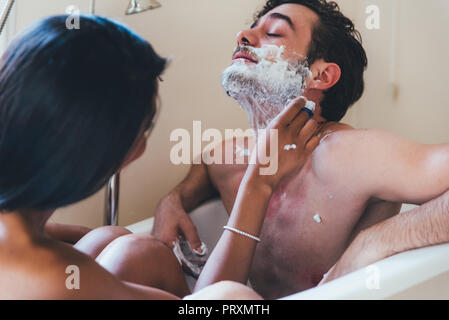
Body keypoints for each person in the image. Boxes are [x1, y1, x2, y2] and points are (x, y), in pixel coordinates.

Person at [153, 0, 449, 299]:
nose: (243, 35)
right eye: (252, 28)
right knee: (129, 249)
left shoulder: (350, 155)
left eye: (275, 32)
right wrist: (172, 200)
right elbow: (204, 169)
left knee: (226, 297)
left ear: (320, 76)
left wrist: (375, 241)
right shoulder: (228, 157)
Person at [0, 14, 279, 300]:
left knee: (108, 238)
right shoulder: (55, 281)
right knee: (233, 297)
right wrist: (258, 185)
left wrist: (173, 197)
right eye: (143, 132)